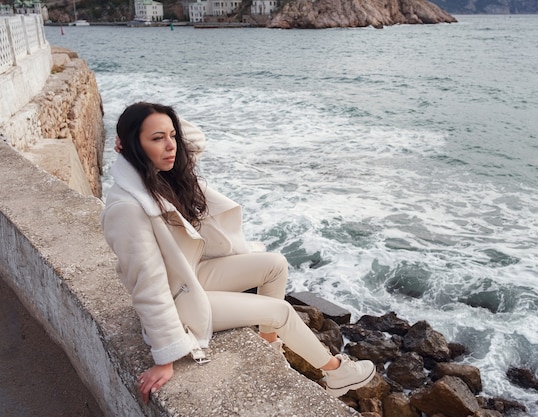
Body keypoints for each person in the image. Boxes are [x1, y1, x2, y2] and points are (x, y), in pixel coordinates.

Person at [100, 102, 376, 404]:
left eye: (172, 136)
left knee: (275, 264)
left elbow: (195, 140)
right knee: (281, 311)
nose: (171, 146)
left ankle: (269, 344)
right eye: (157, 139)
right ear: (132, 146)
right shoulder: (127, 206)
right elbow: (147, 283)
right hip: (178, 299)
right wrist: (165, 356)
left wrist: (160, 123)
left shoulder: (159, 173)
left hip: (190, 276)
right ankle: (336, 372)